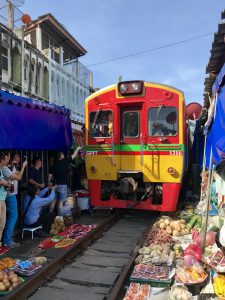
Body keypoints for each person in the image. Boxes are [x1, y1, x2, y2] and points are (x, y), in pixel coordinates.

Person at [2, 153, 27, 248]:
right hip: (9, 195)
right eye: (17, 156)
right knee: (13, 216)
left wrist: (15, 166)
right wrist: (24, 166)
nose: (19, 158)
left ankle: (7, 238)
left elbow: (17, 173)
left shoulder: (10, 166)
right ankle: (7, 240)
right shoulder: (4, 168)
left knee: (10, 216)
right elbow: (18, 177)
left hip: (11, 194)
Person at [49, 147, 82, 214]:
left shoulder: (53, 165)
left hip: (54, 186)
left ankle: (50, 216)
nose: (63, 155)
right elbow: (73, 155)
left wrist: (49, 184)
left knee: (53, 201)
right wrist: (77, 149)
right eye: (62, 154)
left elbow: (49, 176)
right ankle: (60, 218)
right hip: (62, 185)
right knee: (61, 202)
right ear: (61, 155)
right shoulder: (65, 161)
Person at [0, 151, 11, 248]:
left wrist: (6, 183)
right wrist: (4, 182)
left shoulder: (1, 170)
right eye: (6, 158)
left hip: (3, 200)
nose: (7, 161)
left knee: (2, 225)